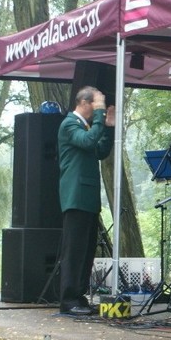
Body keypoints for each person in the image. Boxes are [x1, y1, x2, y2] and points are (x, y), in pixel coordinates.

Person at [57, 86, 115, 315]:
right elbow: (89, 142)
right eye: (97, 104)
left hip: (88, 197)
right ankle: (68, 300)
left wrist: (108, 128)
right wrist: (101, 116)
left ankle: (79, 297)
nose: (99, 109)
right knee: (74, 251)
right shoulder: (70, 124)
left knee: (87, 250)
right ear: (85, 103)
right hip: (75, 196)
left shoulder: (87, 126)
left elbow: (100, 150)